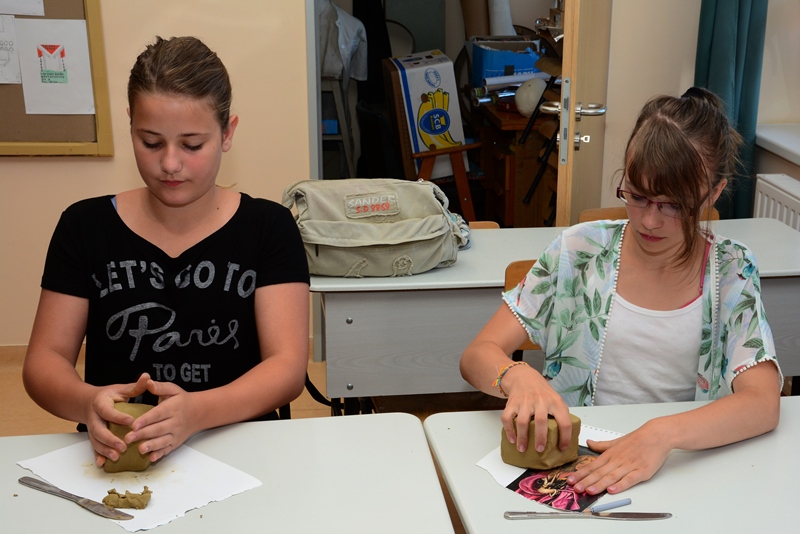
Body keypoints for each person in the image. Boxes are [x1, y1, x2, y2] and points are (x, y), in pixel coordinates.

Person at [460, 87, 782, 495]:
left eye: (673, 205)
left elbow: (762, 403)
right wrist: (516, 375)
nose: (649, 220)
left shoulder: (732, 269)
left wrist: (661, 434)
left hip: (681, 465)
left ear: (714, 193)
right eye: (637, 195)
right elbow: (477, 354)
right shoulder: (579, 251)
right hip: (578, 465)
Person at [23, 36, 310, 468]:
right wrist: (86, 401)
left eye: (192, 145)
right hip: (120, 454)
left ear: (227, 133)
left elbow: (286, 367)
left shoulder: (269, 227)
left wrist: (198, 412)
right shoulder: (84, 226)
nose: (170, 164)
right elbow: (44, 361)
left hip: (241, 450)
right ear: (131, 125)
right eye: (151, 142)